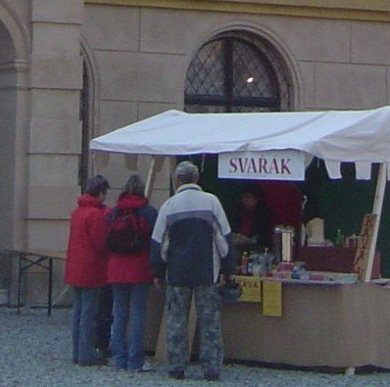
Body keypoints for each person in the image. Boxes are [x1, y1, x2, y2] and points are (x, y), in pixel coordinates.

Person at [150, 161, 235, 382]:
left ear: (177, 180)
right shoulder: (211, 202)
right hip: (207, 272)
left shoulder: (169, 206)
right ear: (197, 179)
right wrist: (227, 269)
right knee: (209, 321)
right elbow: (224, 239)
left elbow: (158, 242)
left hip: (177, 273)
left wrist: (158, 272)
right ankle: (211, 368)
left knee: (176, 320)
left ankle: (177, 366)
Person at [105, 173, 159, 371]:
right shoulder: (148, 212)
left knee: (119, 314)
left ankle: (118, 359)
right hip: (140, 269)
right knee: (138, 315)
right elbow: (156, 242)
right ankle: (135, 360)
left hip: (116, 269)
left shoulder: (113, 213)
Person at [64, 174, 110, 365]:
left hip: (75, 267)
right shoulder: (96, 214)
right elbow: (101, 244)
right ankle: (87, 354)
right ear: (100, 193)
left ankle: (77, 352)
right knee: (89, 314)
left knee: (79, 311)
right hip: (91, 268)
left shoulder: (77, 212)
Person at [229, 187, 273, 254]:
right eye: (243, 197)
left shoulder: (264, 216)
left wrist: (247, 240)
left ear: (256, 199)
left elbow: (262, 239)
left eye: (248, 197)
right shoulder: (238, 213)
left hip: (256, 250)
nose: (244, 200)